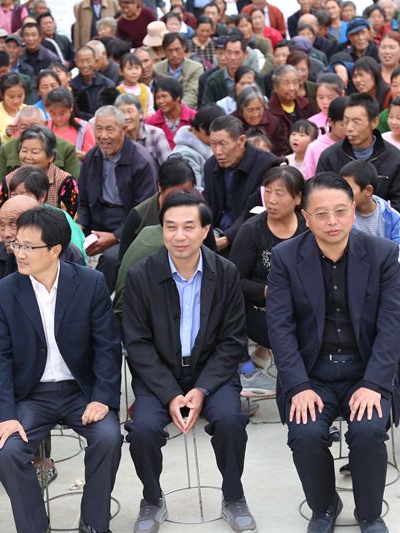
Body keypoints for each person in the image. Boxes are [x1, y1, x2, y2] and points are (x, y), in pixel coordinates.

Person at [267, 174, 400, 533]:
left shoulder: (382, 254)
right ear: (305, 216)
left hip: (365, 372)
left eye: (341, 211)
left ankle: (369, 513)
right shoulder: (285, 258)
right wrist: (298, 386)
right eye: (321, 213)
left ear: (353, 211)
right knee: (305, 433)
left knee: (368, 430)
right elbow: (280, 329)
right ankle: (325, 506)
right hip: (312, 374)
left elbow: (392, 326)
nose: (332, 222)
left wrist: (374, 383)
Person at [122, 191, 257, 533]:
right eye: (170, 227)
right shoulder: (141, 276)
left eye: (188, 227)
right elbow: (137, 344)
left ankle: (233, 495)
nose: (179, 236)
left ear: (205, 230)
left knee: (230, 421)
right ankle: (152, 498)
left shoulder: (225, 273)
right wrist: (170, 394)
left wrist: (202, 389)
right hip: (159, 377)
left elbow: (232, 341)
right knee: (142, 430)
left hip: (211, 374)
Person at [0, 207, 122, 533]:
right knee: (7, 451)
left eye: (29, 247)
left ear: (55, 249)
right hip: (32, 395)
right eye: (17, 244)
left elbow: (107, 346)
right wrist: (5, 415)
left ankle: (94, 523)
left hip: (80, 390)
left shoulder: (90, 283)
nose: (20, 253)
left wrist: (102, 398)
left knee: (108, 437)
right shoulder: (1, 294)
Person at [231, 166, 308, 390]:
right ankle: (250, 371)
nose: (271, 200)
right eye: (268, 191)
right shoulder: (251, 230)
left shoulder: (307, 228)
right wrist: (267, 291)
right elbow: (235, 280)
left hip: (302, 306)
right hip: (259, 308)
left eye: (280, 193)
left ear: (298, 198)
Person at [78, 106, 157, 289]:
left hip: (128, 226)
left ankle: (98, 300)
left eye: (110, 129)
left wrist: (115, 237)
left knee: (111, 259)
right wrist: (80, 227)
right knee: (70, 249)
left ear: (124, 129)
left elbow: (144, 212)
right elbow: (82, 201)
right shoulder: (92, 157)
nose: (103, 136)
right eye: (99, 129)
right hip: (96, 221)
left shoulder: (141, 161)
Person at [315, 93, 400, 224]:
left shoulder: (395, 159)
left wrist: (372, 214)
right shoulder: (330, 157)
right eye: (346, 121)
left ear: (374, 122)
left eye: (356, 122)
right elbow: (319, 197)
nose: (349, 128)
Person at [203, 115, 281, 252]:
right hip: (215, 232)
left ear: (241, 141)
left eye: (223, 144)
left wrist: (228, 237)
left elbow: (256, 210)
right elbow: (207, 203)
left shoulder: (267, 165)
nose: (217, 152)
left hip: (251, 237)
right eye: (213, 144)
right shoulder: (211, 165)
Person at [0, 126, 78, 216]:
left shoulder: (65, 181)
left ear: (51, 156)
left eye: (34, 152)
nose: (28, 157)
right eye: (24, 151)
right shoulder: (9, 179)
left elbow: (73, 217)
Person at [340, 160, 400, 266]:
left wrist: (389, 271)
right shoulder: (342, 216)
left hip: (385, 270)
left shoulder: (391, 216)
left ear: (368, 190)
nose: (343, 194)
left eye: (348, 189)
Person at [0, 107, 79, 187]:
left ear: (46, 124)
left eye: (34, 126)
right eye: (23, 127)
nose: (29, 131)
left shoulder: (66, 148)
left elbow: (74, 185)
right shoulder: (7, 148)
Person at [169, 104, 225, 190]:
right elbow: (194, 190)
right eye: (216, 131)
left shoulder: (208, 145)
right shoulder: (185, 155)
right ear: (202, 128)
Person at [268, 65, 315, 157]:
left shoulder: (306, 105)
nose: (292, 88)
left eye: (295, 83)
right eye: (286, 83)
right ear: (275, 86)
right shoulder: (269, 111)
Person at [115, 93, 171, 167]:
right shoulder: (116, 138)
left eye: (130, 111)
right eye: (122, 113)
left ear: (140, 114)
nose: (126, 117)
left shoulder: (155, 134)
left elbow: (168, 166)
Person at [301, 96, 348, 180]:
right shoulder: (315, 148)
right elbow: (309, 179)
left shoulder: (358, 145)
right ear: (330, 122)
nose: (350, 128)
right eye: (344, 124)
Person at [153, 33, 204, 109]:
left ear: (184, 48)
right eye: (170, 50)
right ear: (164, 51)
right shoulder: (156, 68)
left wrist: (176, 109)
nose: (174, 54)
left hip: (186, 110)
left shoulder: (196, 68)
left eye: (177, 49)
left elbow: (192, 95)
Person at [231, 85, 286, 157]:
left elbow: (280, 151)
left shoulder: (273, 122)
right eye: (250, 110)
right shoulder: (232, 124)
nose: (255, 114)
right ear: (241, 110)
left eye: (259, 109)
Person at [145, 77, 196, 150]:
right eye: (158, 97)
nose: (160, 101)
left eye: (164, 96)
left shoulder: (194, 117)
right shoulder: (151, 123)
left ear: (178, 97)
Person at [71, 46, 116, 116]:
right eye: (81, 61)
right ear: (76, 62)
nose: (85, 65)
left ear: (95, 61)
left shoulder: (107, 85)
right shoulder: (72, 86)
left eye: (88, 61)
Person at [0, 73, 27, 143]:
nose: (16, 101)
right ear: (2, 95)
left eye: (20, 96)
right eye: (11, 97)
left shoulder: (29, 111)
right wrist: (5, 134)